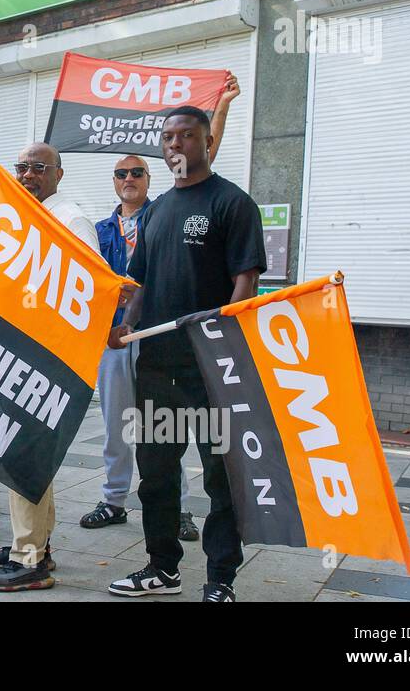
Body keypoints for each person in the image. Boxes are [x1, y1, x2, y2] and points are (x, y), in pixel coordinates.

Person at [106, 105, 265, 602]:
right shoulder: (155, 212)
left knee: (221, 478)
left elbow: (245, 282)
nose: (175, 144)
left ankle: (220, 579)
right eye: (168, 137)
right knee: (156, 475)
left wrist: (223, 335)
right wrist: (126, 324)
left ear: (208, 141)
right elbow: (141, 281)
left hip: (213, 367)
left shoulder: (233, 203)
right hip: (157, 366)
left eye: (187, 136)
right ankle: (162, 568)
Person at [83, 73, 239, 537]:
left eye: (137, 172)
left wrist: (221, 108)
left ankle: (179, 509)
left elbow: (201, 157)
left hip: (164, 337)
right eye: (121, 174)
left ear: (150, 178)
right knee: (118, 424)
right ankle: (113, 499)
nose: (129, 178)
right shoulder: (98, 229)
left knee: (169, 429)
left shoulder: (166, 209)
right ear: (114, 182)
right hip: (117, 336)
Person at [0, 142, 102, 591]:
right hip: (14, 350)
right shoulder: (20, 217)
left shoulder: (71, 220)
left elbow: (90, 289)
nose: (28, 174)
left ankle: (28, 559)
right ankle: (32, 546)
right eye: (22, 167)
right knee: (23, 450)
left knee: (25, 452)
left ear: (58, 174)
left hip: (44, 359)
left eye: (38, 167)